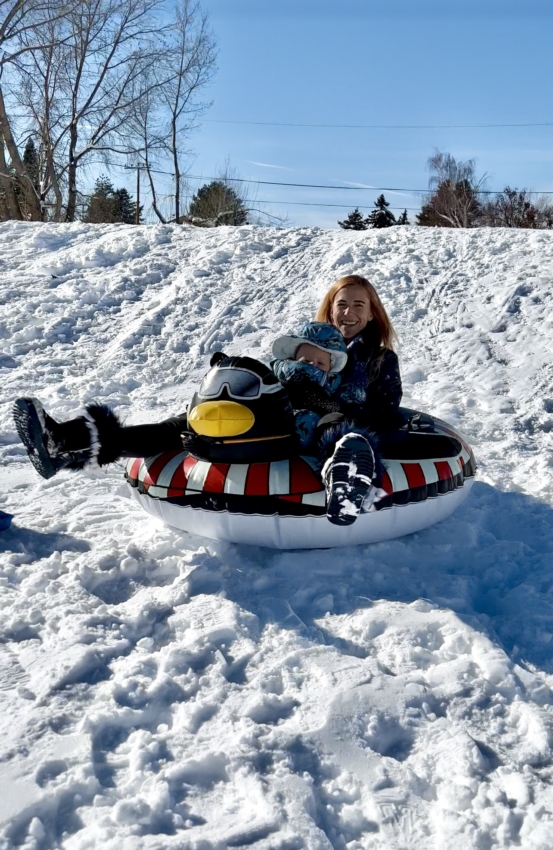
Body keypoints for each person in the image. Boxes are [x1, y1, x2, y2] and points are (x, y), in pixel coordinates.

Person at [13, 274, 402, 526]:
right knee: (183, 423)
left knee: (332, 431)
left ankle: (347, 476)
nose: (348, 312)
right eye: (342, 303)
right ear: (330, 307)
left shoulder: (378, 360)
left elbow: (385, 413)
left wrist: (328, 403)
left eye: (358, 305)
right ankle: (65, 443)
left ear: (372, 314)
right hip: (270, 412)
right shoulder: (301, 342)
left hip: (307, 427)